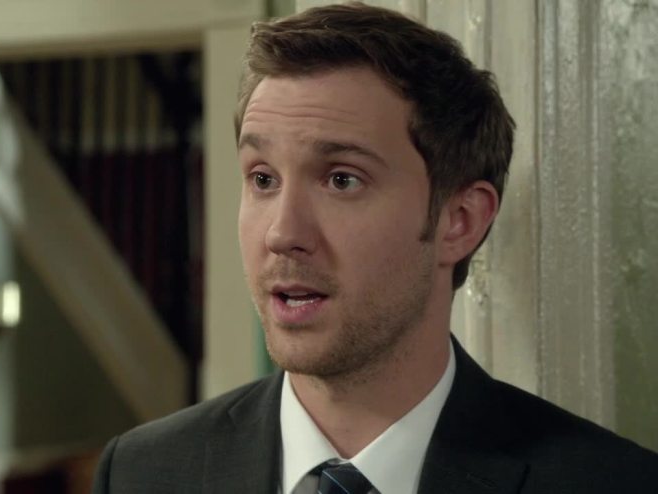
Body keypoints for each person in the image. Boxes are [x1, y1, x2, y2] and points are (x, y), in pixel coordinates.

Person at [92, 2, 658, 493]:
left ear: (459, 220)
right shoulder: (142, 474)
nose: (282, 233)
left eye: (342, 179)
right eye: (263, 178)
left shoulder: (613, 483)